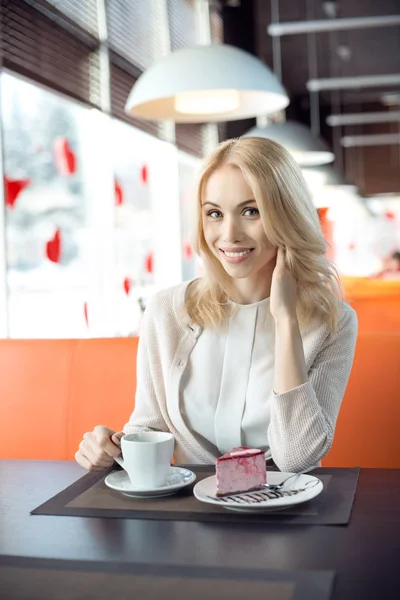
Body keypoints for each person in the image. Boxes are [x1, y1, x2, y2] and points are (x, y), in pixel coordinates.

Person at [75, 137, 358, 474]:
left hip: (285, 514)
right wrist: (112, 448)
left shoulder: (333, 322)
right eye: (214, 213)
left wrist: (285, 322)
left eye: (251, 211)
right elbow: (148, 428)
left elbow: (297, 458)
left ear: (286, 215)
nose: (229, 234)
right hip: (191, 511)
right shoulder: (166, 311)